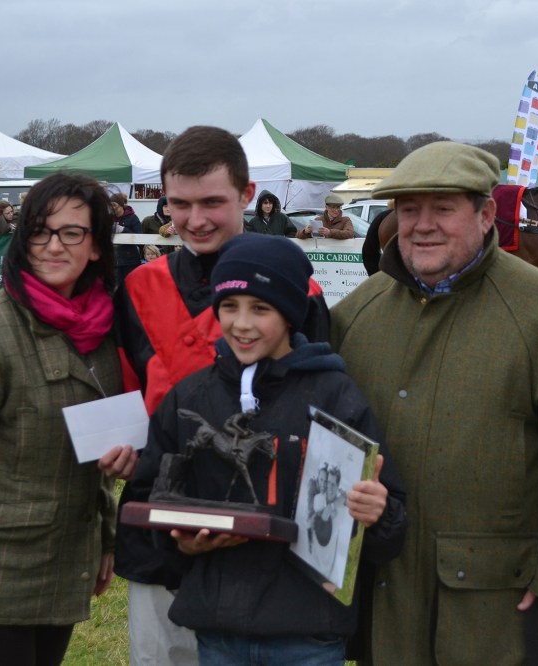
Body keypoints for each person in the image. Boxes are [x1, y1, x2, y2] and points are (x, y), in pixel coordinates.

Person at [331, 141, 538, 665]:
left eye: (443, 208)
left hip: (497, 608)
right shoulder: (355, 314)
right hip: (383, 605)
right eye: (409, 209)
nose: (422, 225)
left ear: (486, 216)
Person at [129, 233, 406, 665]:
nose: (242, 324)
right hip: (218, 629)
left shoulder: (334, 395)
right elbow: (151, 498)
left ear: (292, 314)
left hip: (308, 634)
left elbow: (386, 524)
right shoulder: (189, 399)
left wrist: (378, 511)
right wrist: (179, 544)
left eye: (261, 308)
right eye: (229, 307)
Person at [114, 125, 331, 666]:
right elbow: (127, 395)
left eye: (213, 201)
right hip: (163, 526)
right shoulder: (139, 288)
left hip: (262, 534)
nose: (196, 219)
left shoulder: (298, 291)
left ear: (247, 195)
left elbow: (319, 408)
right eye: (180, 204)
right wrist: (121, 449)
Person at [0, 173, 139, 666]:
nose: (53, 245)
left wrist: (104, 537)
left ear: (97, 246)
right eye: (39, 230)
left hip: (62, 567)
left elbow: (93, 444)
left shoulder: (100, 334)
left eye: (72, 232)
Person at [110, 192, 144, 286]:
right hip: (113, 261)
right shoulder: (108, 218)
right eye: (110, 205)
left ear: (121, 205)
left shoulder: (133, 218)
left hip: (130, 261)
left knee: (131, 288)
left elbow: (140, 239)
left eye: (114, 205)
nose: (112, 208)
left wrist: (123, 230)